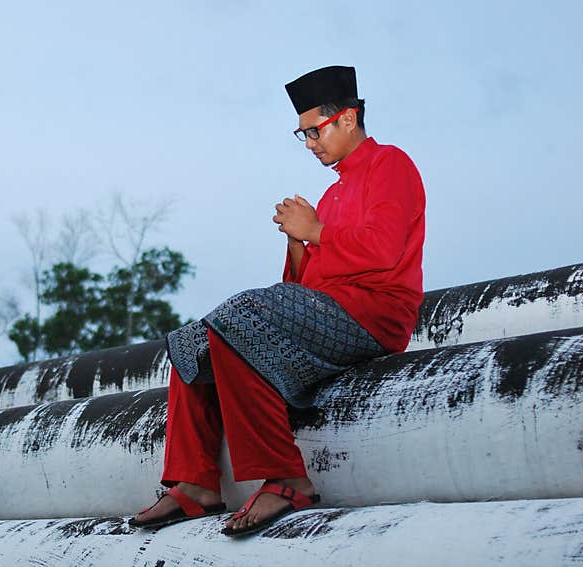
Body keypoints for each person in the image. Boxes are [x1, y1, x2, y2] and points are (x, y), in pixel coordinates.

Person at [129, 65, 426, 537]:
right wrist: (298, 246)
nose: (309, 143)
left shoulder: (390, 164)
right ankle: (196, 483)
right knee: (192, 340)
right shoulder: (330, 196)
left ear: (347, 119)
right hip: (330, 313)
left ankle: (287, 476)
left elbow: (384, 250)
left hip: (376, 314)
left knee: (239, 316)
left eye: (314, 130)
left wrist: (317, 231)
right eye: (302, 134)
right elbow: (305, 288)